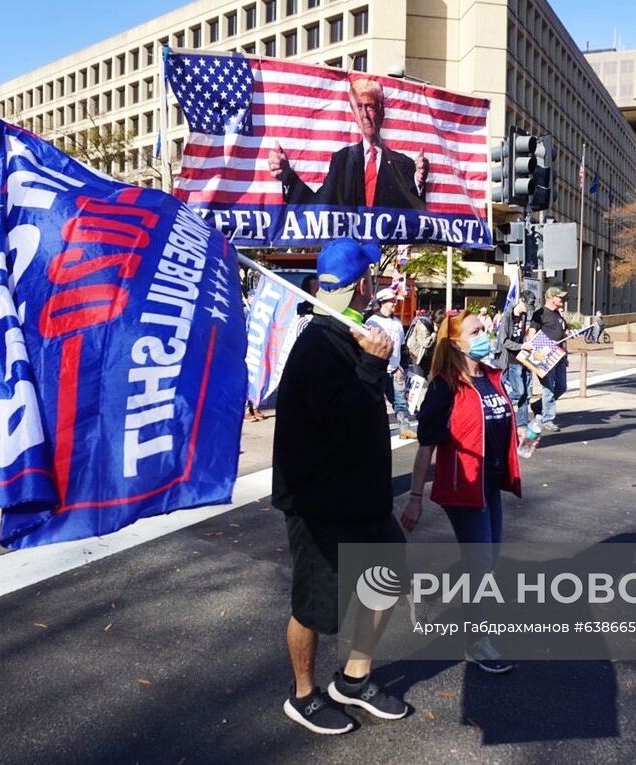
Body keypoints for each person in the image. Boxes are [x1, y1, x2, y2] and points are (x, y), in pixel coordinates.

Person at [272, 238, 410, 735]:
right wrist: (373, 365)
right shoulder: (318, 346)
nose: (377, 287)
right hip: (320, 504)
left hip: (364, 498)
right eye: (372, 278)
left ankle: (354, 678)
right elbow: (345, 420)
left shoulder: (350, 333)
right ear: (361, 285)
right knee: (316, 605)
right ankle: (303, 694)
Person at [400, 310, 522, 673]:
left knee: (488, 560)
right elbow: (426, 447)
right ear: (455, 341)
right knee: (481, 563)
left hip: (491, 485)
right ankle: (476, 642)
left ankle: (426, 593)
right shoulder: (444, 386)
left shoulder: (492, 377)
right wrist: (415, 497)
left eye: (483, 328)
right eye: (476, 330)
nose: (484, 334)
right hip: (462, 488)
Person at [268, 78, 429, 210]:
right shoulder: (342, 159)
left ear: (382, 111)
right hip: (351, 245)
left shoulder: (404, 164)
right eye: (359, 107)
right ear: (353, 114)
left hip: (386, 248)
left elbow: (416, 214)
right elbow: (319, 204)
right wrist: (288, 176)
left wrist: (418, 183)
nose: (365, 115)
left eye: (370, 106)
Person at [365, 288, 415, 438]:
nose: (395, 304)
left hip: (395, 369)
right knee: (375, 402)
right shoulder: (372, 321)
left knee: (400, 401)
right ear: (382, 303)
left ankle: (404, 428)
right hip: (378, 370)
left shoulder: (398, 323)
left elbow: (402, 346)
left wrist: (404, 366)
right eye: (392, 301)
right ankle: (374, 430)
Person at [526, 286, 568, 433]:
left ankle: (538, 406)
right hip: (545, 357)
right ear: (551, 298)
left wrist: (565, 355)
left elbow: (563, 336)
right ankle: (548, 419)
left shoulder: (558, 314)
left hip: (559, 356)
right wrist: (539, 353)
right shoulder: (540, 314)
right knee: (548, 389)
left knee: (562, 386)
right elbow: (531, 334)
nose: (562, 299)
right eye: (559, 297)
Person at [495, 292, 533, 433]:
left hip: (522, 357)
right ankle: (498, 404)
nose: (528, 309)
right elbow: (504, 341)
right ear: (520, 300)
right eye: (526, 305)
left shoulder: (523, 316)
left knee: (526, 392)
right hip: (510, 359)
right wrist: (521, 346)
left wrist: (525, 343)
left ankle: (522, 422)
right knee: (519, 391)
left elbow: (520, 336)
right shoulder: (507, 316)